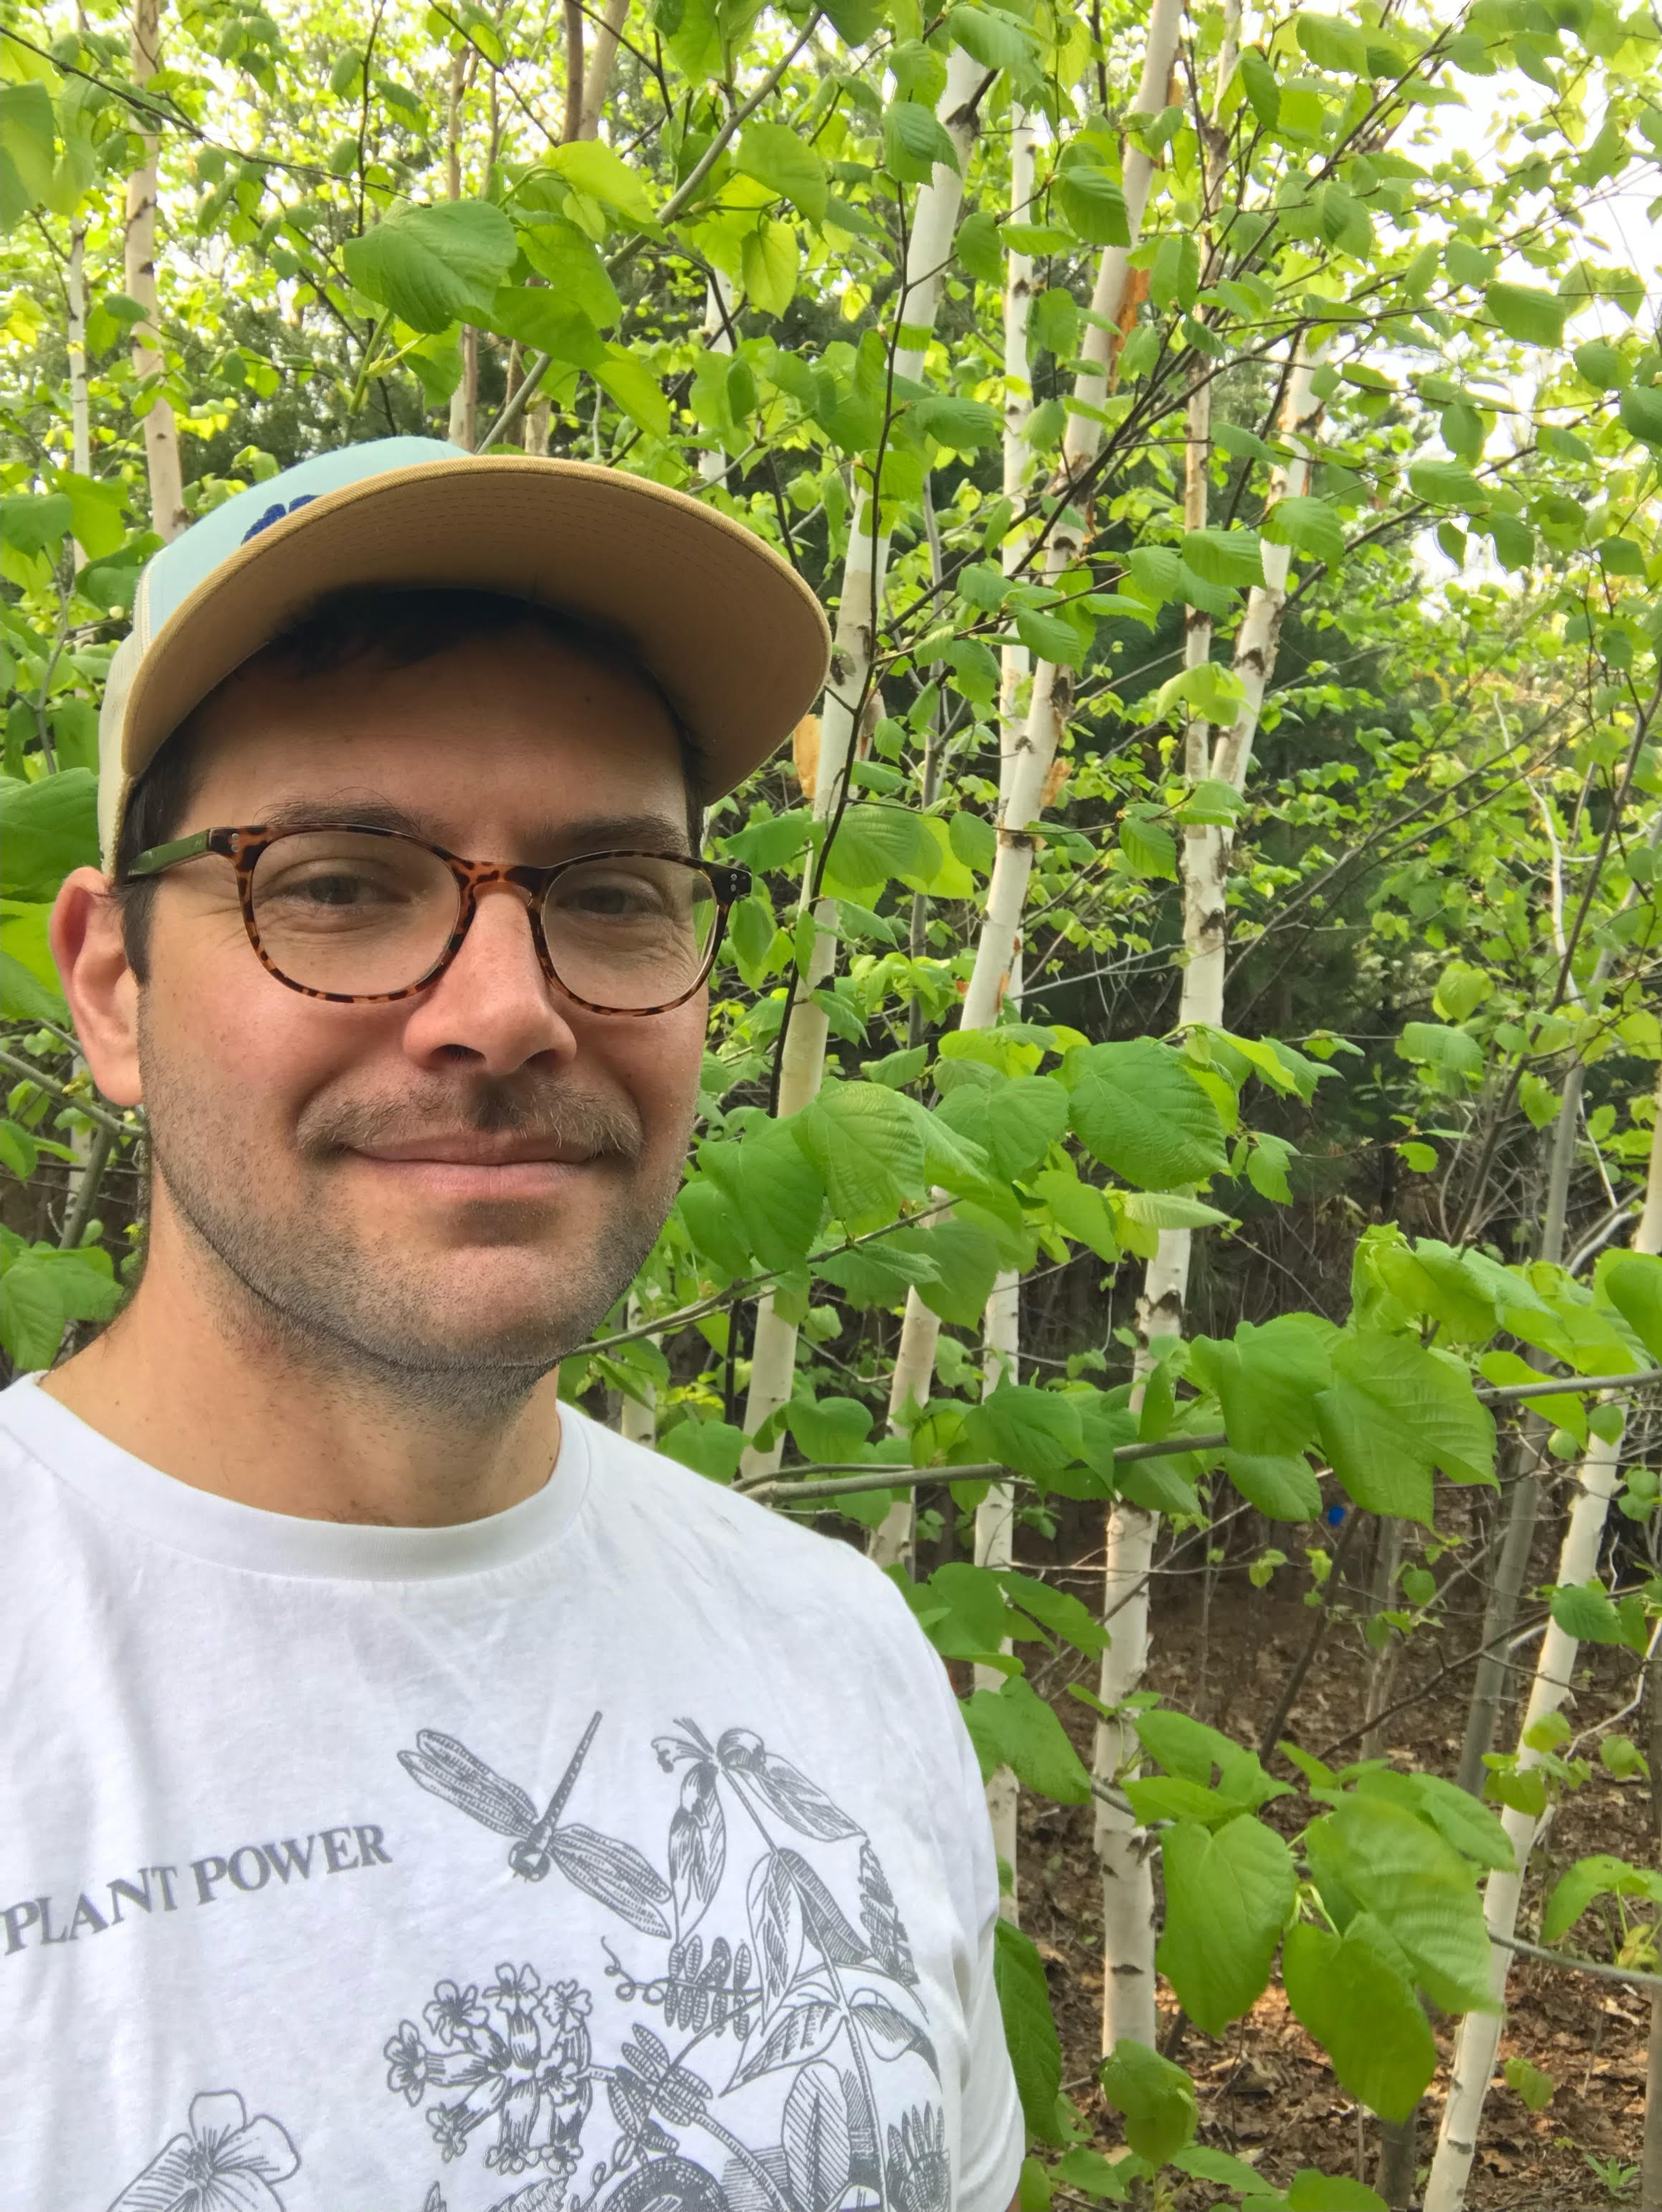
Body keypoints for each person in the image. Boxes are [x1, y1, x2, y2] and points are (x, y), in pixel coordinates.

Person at [1, 440, 1023, 2211]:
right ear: (113, 986)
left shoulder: (836, 1653)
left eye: (612, 894)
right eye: (332, 881)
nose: (507, 1008)